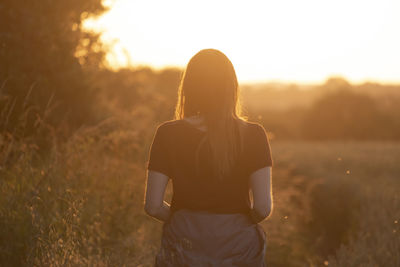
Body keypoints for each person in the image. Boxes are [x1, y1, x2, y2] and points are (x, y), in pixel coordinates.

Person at [144, 48, 273, 267]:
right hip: (238, 245)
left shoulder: (167, 133)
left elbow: (153, 206)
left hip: (184, 242)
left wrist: (184, 221)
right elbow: (262, 208)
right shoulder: (254, 134)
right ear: (231, 87)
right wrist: (234, 225)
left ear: (189, 87)